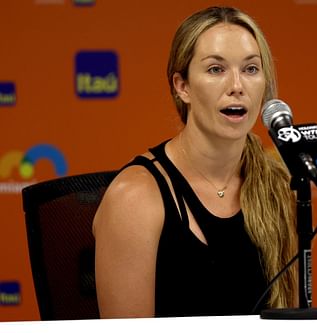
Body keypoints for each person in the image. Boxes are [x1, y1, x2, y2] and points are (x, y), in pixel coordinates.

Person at [92, 6, 298, 318]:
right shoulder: (134, 197)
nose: (237, 86)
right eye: (216, 69)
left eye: (251, 69)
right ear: (182, 86)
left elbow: (293, 320)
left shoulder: (280, 185)